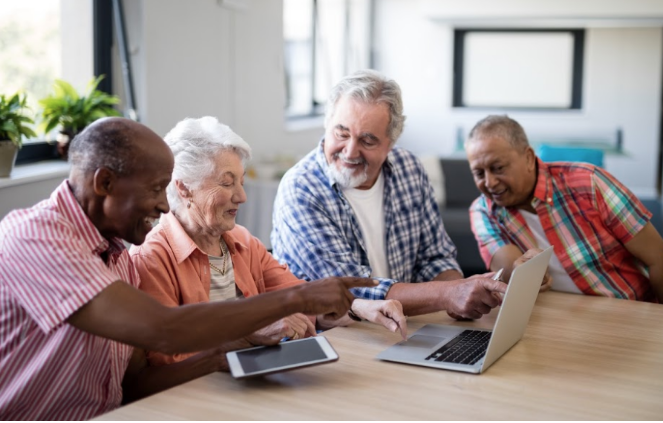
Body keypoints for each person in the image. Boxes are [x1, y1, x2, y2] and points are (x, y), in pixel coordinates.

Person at [0, 117, 374, 420]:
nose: (165, 206)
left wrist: (223, 357)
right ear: (105, 183)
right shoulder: (35, 236)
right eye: (156, 189)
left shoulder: (117, 260)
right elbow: (164, 330)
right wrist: (298, 297)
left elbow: (134, 387)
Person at [130, 116, 407, 367]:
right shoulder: (152, 257)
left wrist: (360, 307)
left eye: (241, 182)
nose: (242, 196)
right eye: (227, 183)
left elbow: (300, 297)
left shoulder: (242, 241)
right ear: (183, 187)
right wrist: (247, 335)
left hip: (256, 381)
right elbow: (165, 359)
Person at [271, 69, 509, 321]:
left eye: (367, 141)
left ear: (390, 142)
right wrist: (448, 293)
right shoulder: (301, 189)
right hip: (335, 336)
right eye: (341, 134)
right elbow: (348, 289)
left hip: (402, 328)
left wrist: (459, 296)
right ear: (327, 125)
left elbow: (434, 257)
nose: (350, 152)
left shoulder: (409, 169)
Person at [465, 114, 663, 305]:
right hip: (556, 323)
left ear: (528, 158)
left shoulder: (590, 183)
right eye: (479, 173)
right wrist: (521, 272)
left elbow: (660, 258)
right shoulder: (483, 211)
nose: (490, 183)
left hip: (628, 311)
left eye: (498, 168)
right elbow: (510, 270)